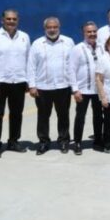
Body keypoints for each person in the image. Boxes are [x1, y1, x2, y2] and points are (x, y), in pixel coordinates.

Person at [0, 9, 31, 157]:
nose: (11, 21)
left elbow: (28, 60)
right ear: (2, 20)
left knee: (16, 114)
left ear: (18, 20)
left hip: (19, 81)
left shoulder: (24, 37)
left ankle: (13, 141)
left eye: (14, 19)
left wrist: (28, 81)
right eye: (8, 19)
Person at [27, 17, 74, 155]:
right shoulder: (37, 44)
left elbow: (73, 64)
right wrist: (32, 85)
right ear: (45, 28)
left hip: (63, 86)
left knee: (63, 115)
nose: (52, 30)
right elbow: (31, 66)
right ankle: (43, 142)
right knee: (43, 117)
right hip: (43, 87)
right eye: (49, 27)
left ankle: (64, 140)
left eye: (55, 27)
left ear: (59, 27)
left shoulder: (68, 42)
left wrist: (74, 85)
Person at [67, 21, 104, 154]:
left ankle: (98, 140)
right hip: (83, 89)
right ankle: (77, 142)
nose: (92, 34)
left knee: (98, 116)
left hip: (98, 89)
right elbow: (71, 70)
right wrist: (75, 90)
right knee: (80, 117)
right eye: (89, 32)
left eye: (94, 31)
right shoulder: (77, 49)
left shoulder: (102, 47)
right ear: (84, 33)